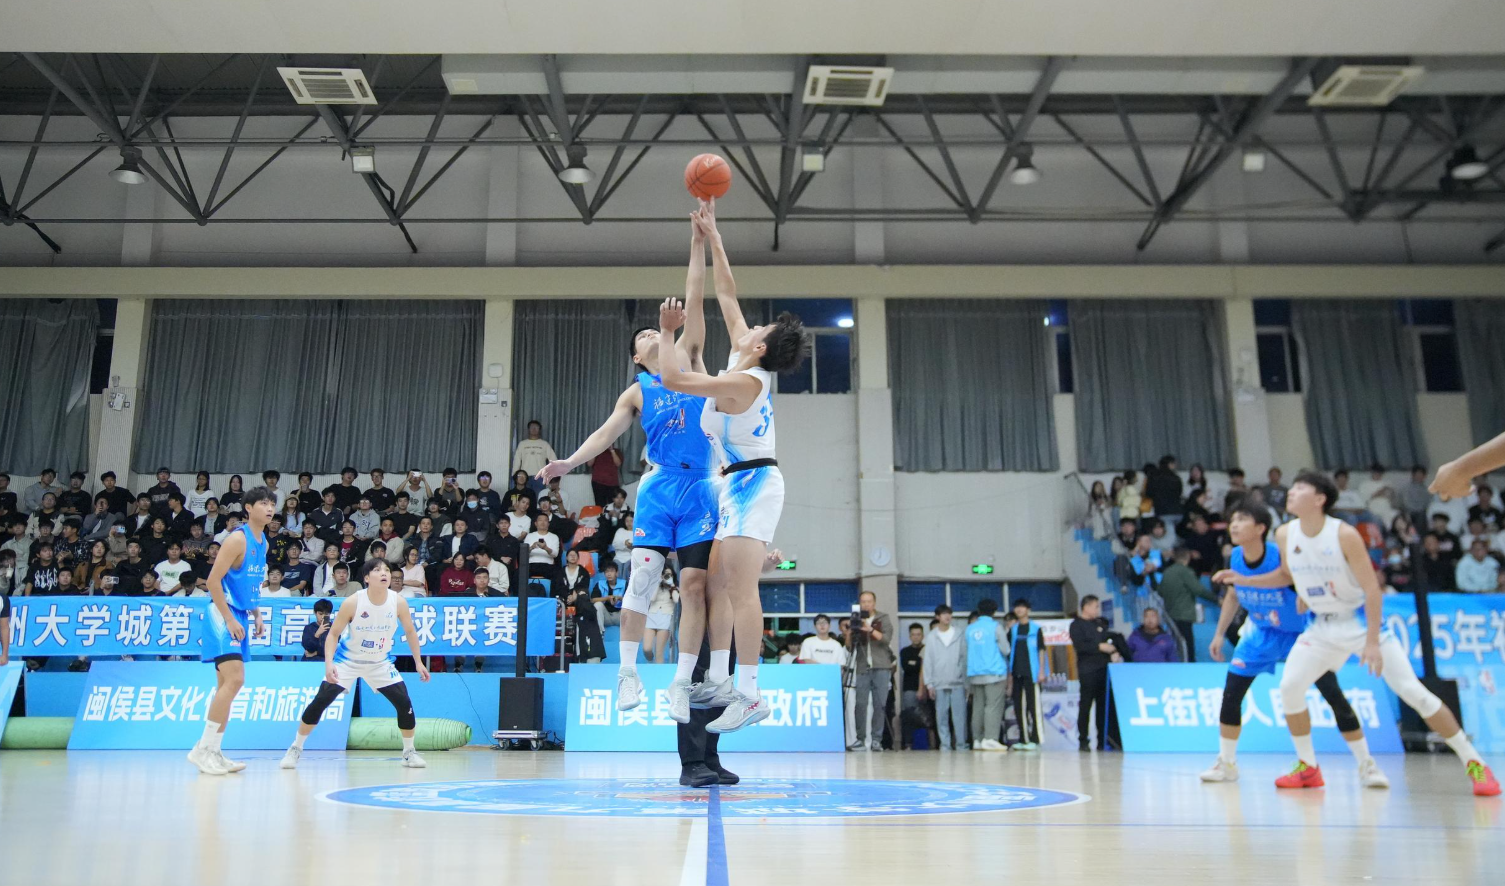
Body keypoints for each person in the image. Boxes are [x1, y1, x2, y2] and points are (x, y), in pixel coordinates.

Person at [536, 211, 728, 726]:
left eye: (653, 330)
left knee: (693, 586)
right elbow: (605, 435)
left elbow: (694, 298)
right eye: (643, 334)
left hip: (702, 487)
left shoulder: (690, 358)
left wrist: (697, 242)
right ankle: (627, 673)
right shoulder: (638, 390)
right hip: (660, 485)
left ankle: (682, 684)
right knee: (641, 577)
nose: (650, 333)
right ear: (638, 358)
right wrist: (569, 462)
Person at [1212, 472, 1499, 795]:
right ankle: (1308, 767)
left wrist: (1372, 641)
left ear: (1319, 499)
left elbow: (1372, 590)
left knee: (1413, 693)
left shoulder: (1344, 534)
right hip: (1321, 626)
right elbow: (1285, 576)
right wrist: (1246, 581)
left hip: (1358, 623)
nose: (1290, 492)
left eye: (1299, 488)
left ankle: (1475, 762)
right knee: (1290, 688)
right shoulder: (1285, 533)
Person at [655, 209, 808, 734]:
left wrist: (667, 332)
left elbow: (672, 377)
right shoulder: (744, 361)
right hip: (735, 483)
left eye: (758, 328)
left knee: (743, 591)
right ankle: (720, 679)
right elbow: (726, 293)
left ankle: (750, 693)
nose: (748, 324)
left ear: (759, 345)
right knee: (719, 582)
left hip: (754, 481)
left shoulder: (743, 382)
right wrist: (712, 237)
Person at [1200, 502, 1383, 787]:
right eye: (1232, 520)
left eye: (1242, 519)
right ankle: (1226, 763)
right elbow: (1234, 595)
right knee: (1231, 694)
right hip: (1260, 632)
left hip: (1299, 633)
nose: (1234, 525)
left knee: (1332, 693)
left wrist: (1306, 597)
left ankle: (1366, 763)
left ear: (1260, 528)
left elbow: (1306, 580)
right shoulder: (1235, 556)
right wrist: (1219, 633)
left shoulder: (1280, 555)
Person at [281, 559, 431, 770]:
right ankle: (295, 748)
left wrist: (418, 662)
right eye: (377, 570)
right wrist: (329, 664)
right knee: (321, 701)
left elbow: (411, 632)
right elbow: (333, 634)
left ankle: (409, 753)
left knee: (404, 702)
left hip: (380, 662)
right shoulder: (353, 602)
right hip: (348, 660)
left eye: (387, 570)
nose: (384, 573)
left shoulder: (398, 602)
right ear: (367, 578)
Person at [189, 486, 275, 777]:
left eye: (272, 503)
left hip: (240, 613)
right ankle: (203, 749)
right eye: (263, 503)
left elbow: (249, 584)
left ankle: (213, 750)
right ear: (248, 508)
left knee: (225, 687)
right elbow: (213, 581)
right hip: (221, 614)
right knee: (236, 679)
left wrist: (256, 613)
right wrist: (228, 619)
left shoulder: (263, 544)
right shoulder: (237, 539)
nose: (270, 508)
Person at [848, 590, 895, 752]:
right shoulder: (856, 619)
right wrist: (851, 631)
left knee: (879, 704)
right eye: (863, 602)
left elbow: (886, 639)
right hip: (862, 666)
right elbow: (849, 647)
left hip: (881, 666)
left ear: (874, 603)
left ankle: (876, 740)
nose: (866, 604)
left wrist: (870, 629)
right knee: (860, 704)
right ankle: (860, 739)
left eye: (869, 601)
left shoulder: (883, 618)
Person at [1070, 594, 1119, 752]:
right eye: (1095, 606)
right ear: (1086, 607)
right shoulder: (1076, 625)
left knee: (1103, 707)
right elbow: (1080, 646)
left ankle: (1103, 739)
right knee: (1086, 706)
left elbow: (1109, 640)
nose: (1098, 610)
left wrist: (1114, 651)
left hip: (1103, 669)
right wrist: (1099, 647)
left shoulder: (1099, 624)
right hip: (1088, 671)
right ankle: (1083, 739)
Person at [1156, 546, 1217, 661]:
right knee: (1187, 644)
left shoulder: (1167, 572)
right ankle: (1189, 664)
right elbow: (1198, 590)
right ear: (1188, 557)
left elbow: (1160, 591)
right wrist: (1217, 599)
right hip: (1184, 613)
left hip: (1170, 613)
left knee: (1176, 642)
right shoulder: (1186, 572)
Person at [921, 604, 968, 750]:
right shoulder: (931, 637)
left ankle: (961, 744)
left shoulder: (959, 634)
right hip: (939, 682)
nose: (947, 616)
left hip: (957, 681)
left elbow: (964, 658)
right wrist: (929, 684)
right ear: (937, 617)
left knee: (959, 716)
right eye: (944, 614)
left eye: (949, 614)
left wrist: (966, 681)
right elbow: (928, 661)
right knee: (941, 716)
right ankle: (945, 745)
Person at [1005, 599, 1047, 749]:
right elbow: (1009, 652)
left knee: (1033, 707)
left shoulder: (1036, 629)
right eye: (1017, 607)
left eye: (1022, 607)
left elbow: (1041, 650)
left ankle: (1036, 739)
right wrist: (1009, 677)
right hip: (1017, 672)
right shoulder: (1013, 630)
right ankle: (1024, 739)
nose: (1019, 610)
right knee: (1019, 707)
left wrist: (1041, 671)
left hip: (1032, 673)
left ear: (1028, 610)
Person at [898, 623, 927, 750]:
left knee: (928, 717)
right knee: (909, 715)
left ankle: (931, 743)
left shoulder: (927, 649)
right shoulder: (905, 651)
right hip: (910, 688)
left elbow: (926, 668)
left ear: (923, 636)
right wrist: (920, 665)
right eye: (913, 635)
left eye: (918, 634)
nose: (916, 637)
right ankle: (908, 743)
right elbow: (907, 668)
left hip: (927, 688)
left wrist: (916, 664)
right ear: (910, 636)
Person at [644, 567, 679, 663]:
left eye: (669, 575)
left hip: (666, 618)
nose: (667, 577)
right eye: (665, 574)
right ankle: (651, 661)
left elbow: (676, 600)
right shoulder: (654, 586)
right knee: (647, 649)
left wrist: (672, 585)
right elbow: (651, 599)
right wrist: (658, 581)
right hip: (651, 616)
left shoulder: (675, 588)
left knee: (659, 652)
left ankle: (658, 670)